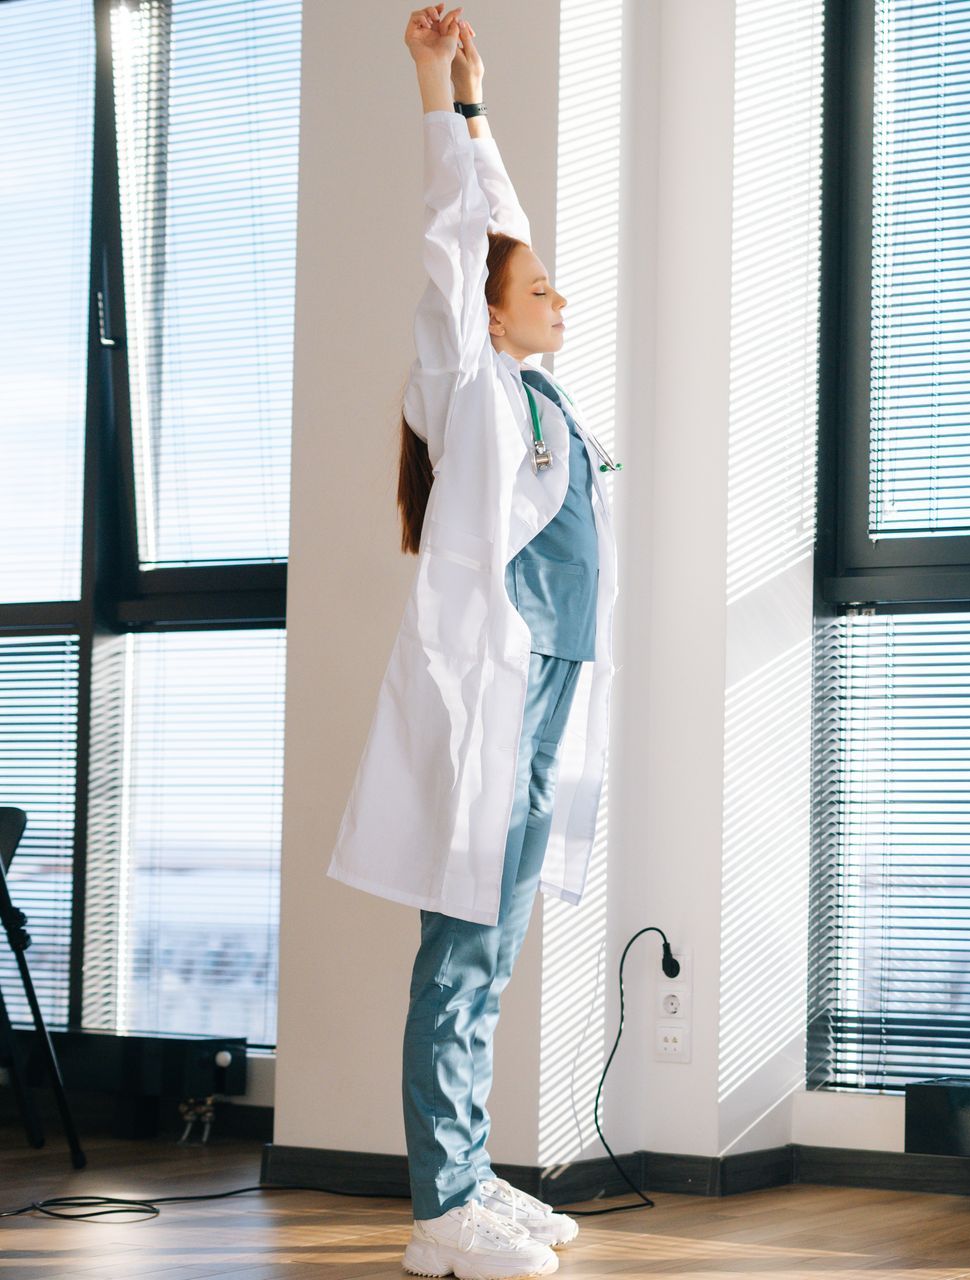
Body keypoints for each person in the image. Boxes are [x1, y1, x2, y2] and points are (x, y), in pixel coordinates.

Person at [327, 7, 623, 1277]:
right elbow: (465, 238)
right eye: (540, 286)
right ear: (491, 319)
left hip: (554, 684)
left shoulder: (542, 394)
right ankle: (440, 1211)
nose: (558, 291)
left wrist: (488, 106)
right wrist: (435, 87)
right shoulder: (466, 378)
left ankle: (473, 1170)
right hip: (494, 688)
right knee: (460, 947)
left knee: (494, 946)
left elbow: (497, 219)